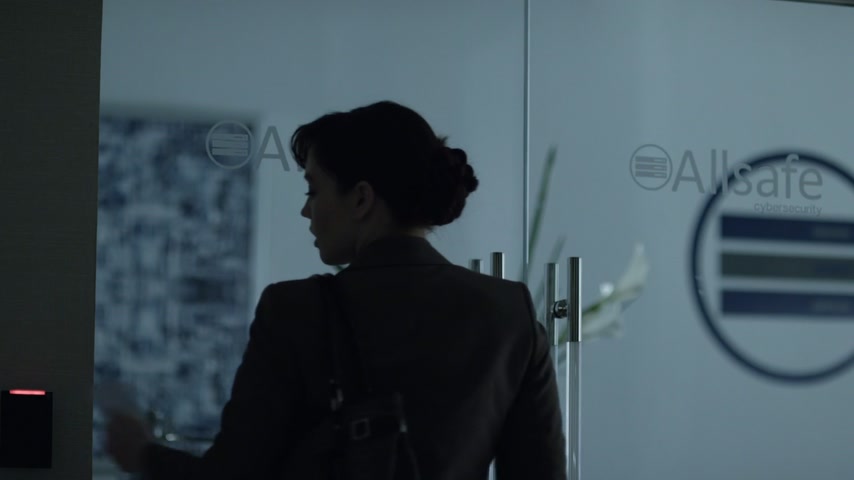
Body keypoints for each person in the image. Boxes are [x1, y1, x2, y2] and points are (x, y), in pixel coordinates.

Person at [105, 100, 567, 479]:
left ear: (361, 199)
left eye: (313, 189)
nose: (307, 211)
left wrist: (142, 454)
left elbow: (232, 476)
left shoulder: (294, 309)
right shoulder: (509, 312)